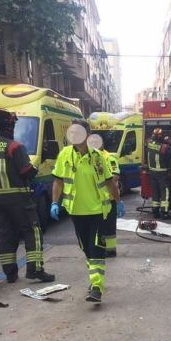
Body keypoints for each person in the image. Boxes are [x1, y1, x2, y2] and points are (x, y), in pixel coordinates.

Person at [0, 109, 55, 283]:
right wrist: (33, 170)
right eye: (13, 124)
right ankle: (35, 269)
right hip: (18, 199)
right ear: (9, 126)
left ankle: (10, 273)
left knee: (6, 235)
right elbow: (27, 172)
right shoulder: (14, 146)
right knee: (33, 231)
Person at [50, 120, 120, 303]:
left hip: (97, 211)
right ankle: (94, 281)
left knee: (96, 248)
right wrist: (54, 203)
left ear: (87, 135)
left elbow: (109, 182)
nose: (74, 135)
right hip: (76, 212)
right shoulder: (64, 155)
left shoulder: (98, 157)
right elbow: (58, 181)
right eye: (72, 132)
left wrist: (117, 202)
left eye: (78, 131)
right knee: (86, 248)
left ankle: (97, 286)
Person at [146, 128, 171, 219]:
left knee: (155, 193)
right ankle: (164, 213)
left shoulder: (149, 143)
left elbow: (149, 141)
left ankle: (155, 212)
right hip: (162, 173)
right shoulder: (163, 147)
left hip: (152, 172)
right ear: (160, 137)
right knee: (164, 193)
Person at [100, 148, 121, 257]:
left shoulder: (110, 158)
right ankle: (101, 248)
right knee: (99, 226)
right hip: (95, 201)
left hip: (109, 199)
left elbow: (115, 176)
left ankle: (111, 250)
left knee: (109, 226)